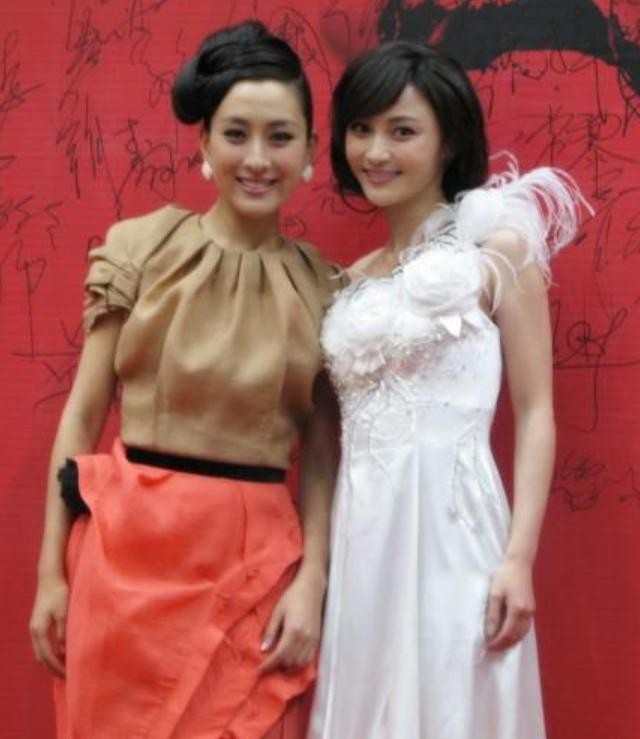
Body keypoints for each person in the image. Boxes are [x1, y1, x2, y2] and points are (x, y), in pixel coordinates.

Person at [29, 20, 339, 739]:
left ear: (309, 151)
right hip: (123, 561)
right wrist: (51, 573)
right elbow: (82, 415)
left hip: (255, 566)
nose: (257, 158)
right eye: (235, 134)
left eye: (280, 137)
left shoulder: (323, 289)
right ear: (203, 144)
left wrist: (314, 580)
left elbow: (324, 454)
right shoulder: (141, 248)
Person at [309, 41, 587, 738]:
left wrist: (518, 558)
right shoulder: (348, 281)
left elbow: (536, 412)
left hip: (458, 534)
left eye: (402, 131)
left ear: (449, 142)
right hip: (363, 537)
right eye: (361, 129)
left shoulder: (497, 252)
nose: (376, 151)